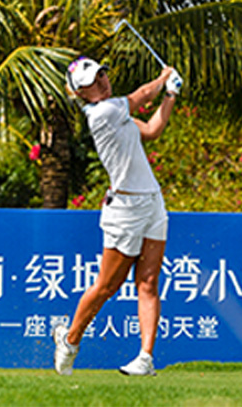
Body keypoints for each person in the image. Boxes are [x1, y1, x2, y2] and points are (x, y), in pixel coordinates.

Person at [54, 56, 181, 376]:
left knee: (148, 282)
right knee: (108, 285)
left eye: (101, 76)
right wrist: (163, 77)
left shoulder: (117, 113)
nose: (101, 83)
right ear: (80, 93)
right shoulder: (103, 113)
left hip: (152, 203)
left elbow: (151, 130)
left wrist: (170, 95)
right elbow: (141, 96)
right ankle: (70, 340)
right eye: (91, 83)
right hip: (124, 209)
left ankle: (145, 358)